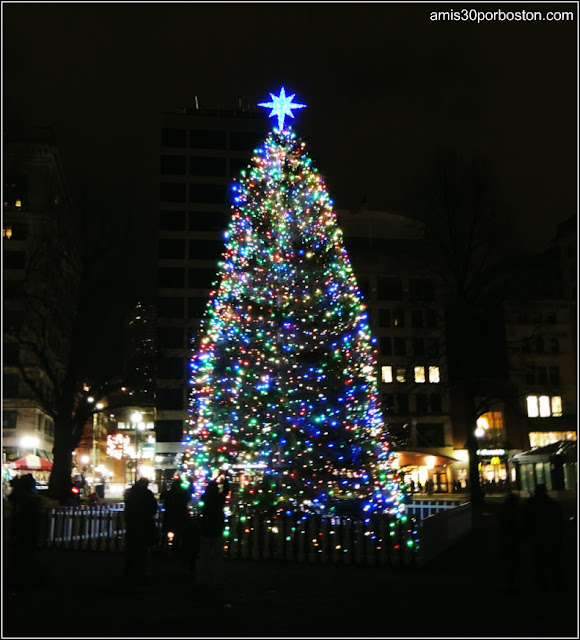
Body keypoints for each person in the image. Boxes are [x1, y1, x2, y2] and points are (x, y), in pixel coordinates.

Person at [196, 473, 230, 600]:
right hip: (217, 529)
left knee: (204, 556)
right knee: (217, 556)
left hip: (206, 529)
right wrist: (224, 479)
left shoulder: (205, 499)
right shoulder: (219, 499)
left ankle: (202, 578)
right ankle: (217, 580)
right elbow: (226, 490)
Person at [523, 484, 563, 588]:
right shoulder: (552, 504)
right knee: (554, 562)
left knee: (540, 561)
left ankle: (543, 584)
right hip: (551, 536)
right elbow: (559, 519)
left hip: (537, 536)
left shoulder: (530, 504)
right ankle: (557, 583)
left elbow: (526, 520)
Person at [123, 477, 158, 585]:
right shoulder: (147, 494)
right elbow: (153, 508)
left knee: (131, 550)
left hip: (133, 525)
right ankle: (140, 573)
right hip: (143, 524)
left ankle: (130, 573)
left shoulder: (130, 493)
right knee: (141, 551)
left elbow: (127, 508)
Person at [161, 477, 191, 553]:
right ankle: (176, 548)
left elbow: (162, 497)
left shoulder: (170, 493)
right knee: (179, 533)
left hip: (169, 515)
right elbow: (188, 498)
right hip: (180, 516)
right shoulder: (183, 493)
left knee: (167, 531)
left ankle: (164, 547)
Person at [499, 491, 522, 590]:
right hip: (511, 541)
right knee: (512, 563)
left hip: (507, 540)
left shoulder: (504, 513)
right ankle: (512, 584)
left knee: (510, 564)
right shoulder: (513, 514)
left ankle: (510, 583)